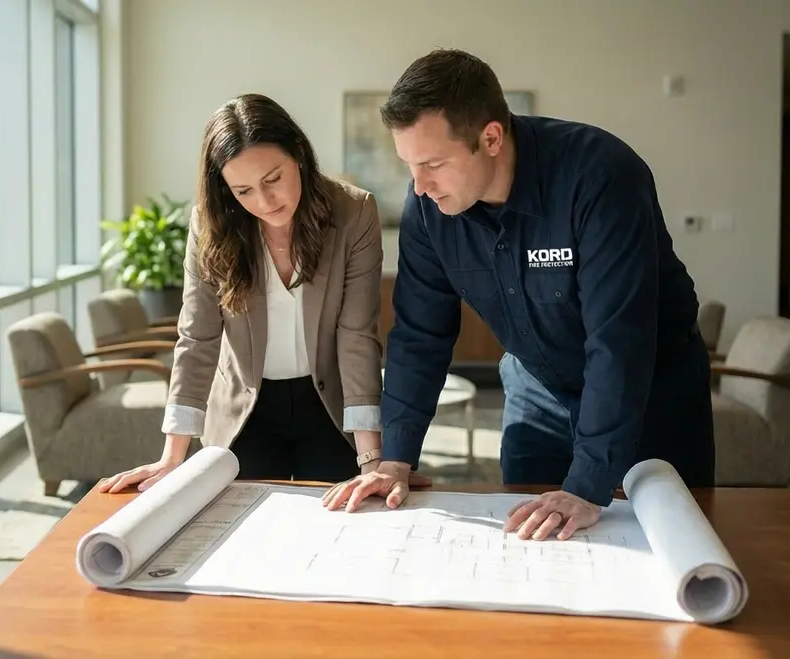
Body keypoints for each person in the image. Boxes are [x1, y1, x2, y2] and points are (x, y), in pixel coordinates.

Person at [323, 49, 715, 541]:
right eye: (410, 167)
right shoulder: (427, 208)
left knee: (675, 545)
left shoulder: (601, 176)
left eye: (434, 164)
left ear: (490, 137)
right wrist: (395, 459)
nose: (420, 186)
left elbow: (619, 340)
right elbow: (420, 334)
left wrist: (588, 484)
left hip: (650, 392)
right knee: (532, 543)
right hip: (539, 391)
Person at [98, 93, 393, 492]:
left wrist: (371, 459)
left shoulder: (354, 213)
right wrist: (172, 457)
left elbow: (357, 335)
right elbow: (197, 337)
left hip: (329, 408)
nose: (265, 201)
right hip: (243, 411)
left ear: (299, 155)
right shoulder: (211, 223)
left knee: (338, 527)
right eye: (243, 190)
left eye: (273, 179)